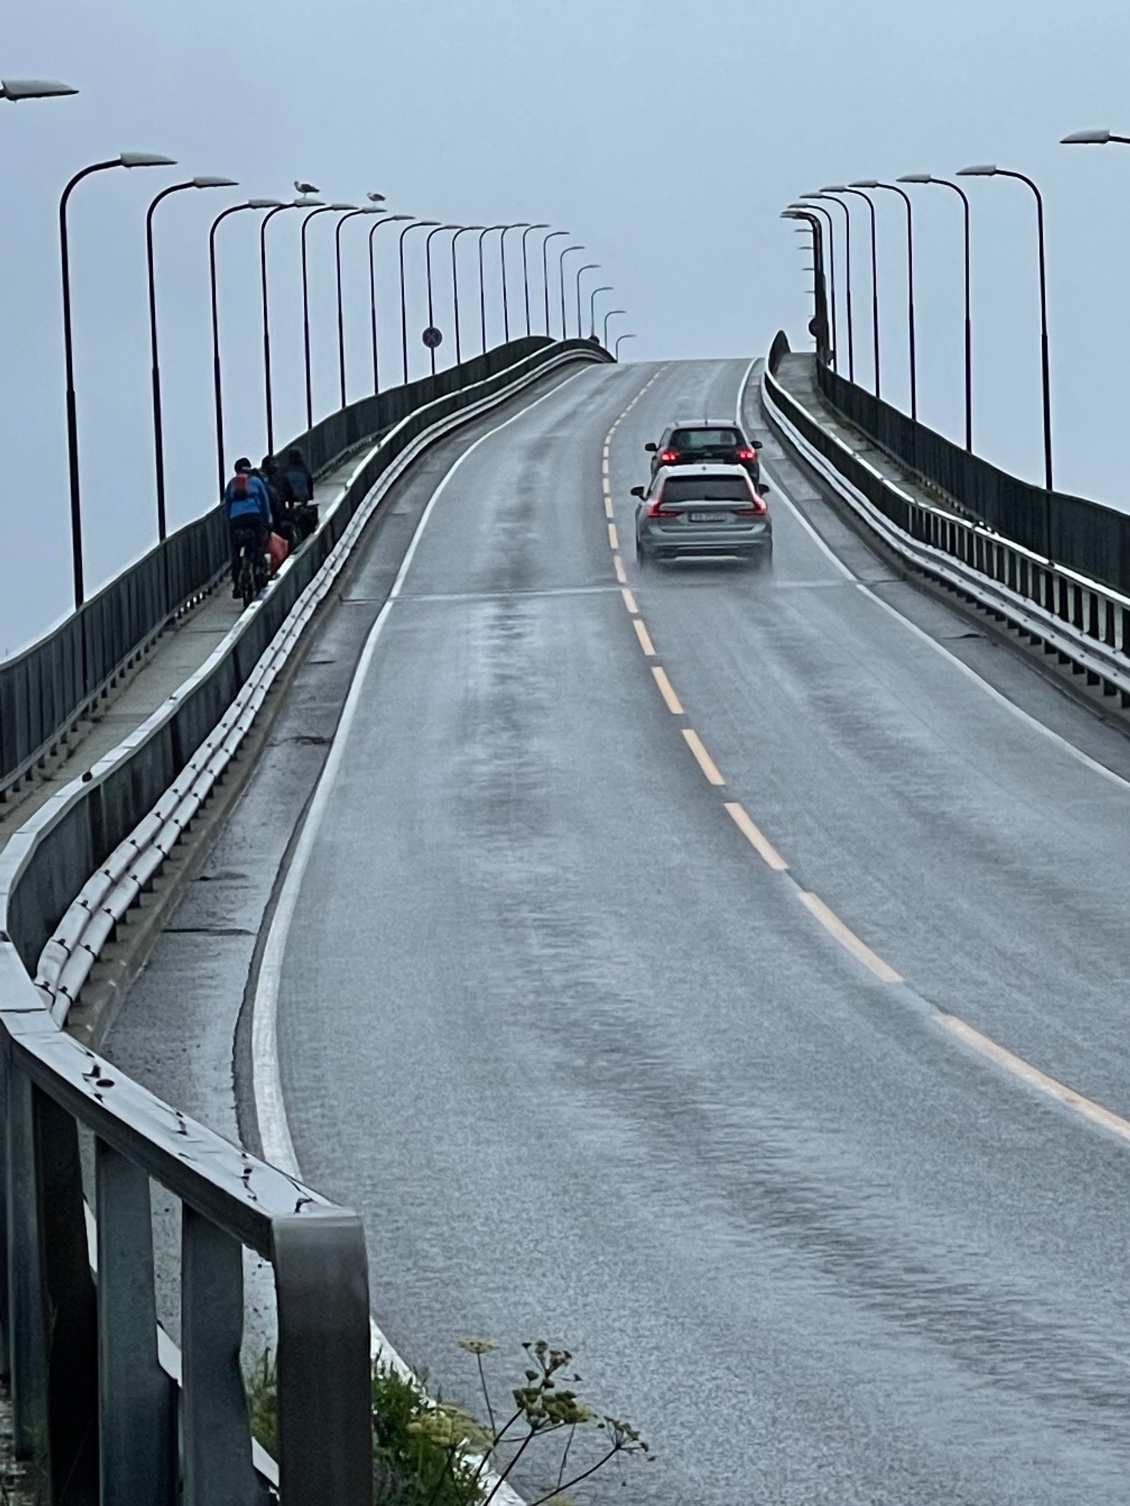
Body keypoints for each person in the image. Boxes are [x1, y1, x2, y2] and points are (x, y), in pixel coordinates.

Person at [223, 457, 272, 597]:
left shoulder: (231, 484)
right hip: (254, 517)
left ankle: (237, 585)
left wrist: (230, 522)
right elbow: (264, 502)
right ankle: (258, 571)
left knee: (236, 551)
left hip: (236, 520)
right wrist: (267, 521)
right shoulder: (256, 482)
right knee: (258, 544)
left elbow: (227, 505)